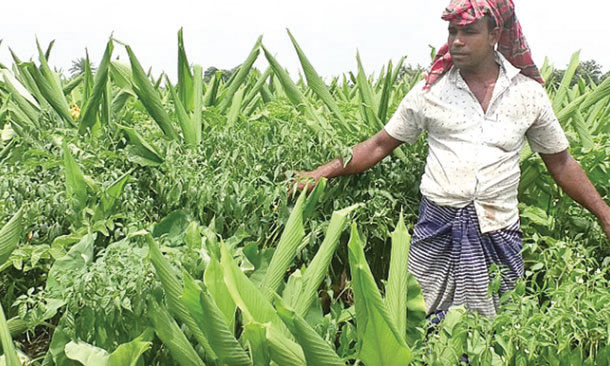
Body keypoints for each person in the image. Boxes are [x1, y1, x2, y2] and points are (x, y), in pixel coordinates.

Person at [297, 0, 610, 317]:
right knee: (420, 319)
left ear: (494, 35)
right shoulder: (430, 91)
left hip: (498, 229)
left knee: (495, 330)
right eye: (452, 30)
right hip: (437, 226)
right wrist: (320, 173)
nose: (457, 40)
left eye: (469, 31)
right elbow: (379, 145)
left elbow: (561, 163)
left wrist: (603, 213)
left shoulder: (526, 94)